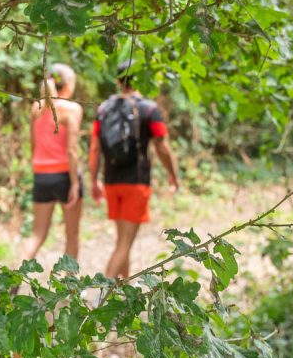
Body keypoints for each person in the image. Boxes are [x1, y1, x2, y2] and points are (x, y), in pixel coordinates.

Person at [89, 59, 180, 278]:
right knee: (124, 245)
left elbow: (94, 148)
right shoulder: (149, 109)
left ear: (119, 81)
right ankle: (101, 296)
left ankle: (124, 292)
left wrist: (94, 180)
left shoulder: (103, 109)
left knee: (122, 241)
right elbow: (162, 147)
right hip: (136, 183)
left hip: (111, 182)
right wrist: (173, 175)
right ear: (141, 78)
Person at [22, 63, 83, 262]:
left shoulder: (36, 107)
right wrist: (74, 183)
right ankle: (69, 288)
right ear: (68, 86)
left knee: (37, 235)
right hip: (65, 175)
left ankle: (11, 282)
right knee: (71, 235)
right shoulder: (72, 109)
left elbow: (33, 144)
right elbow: (72, 150)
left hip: (41, 175)